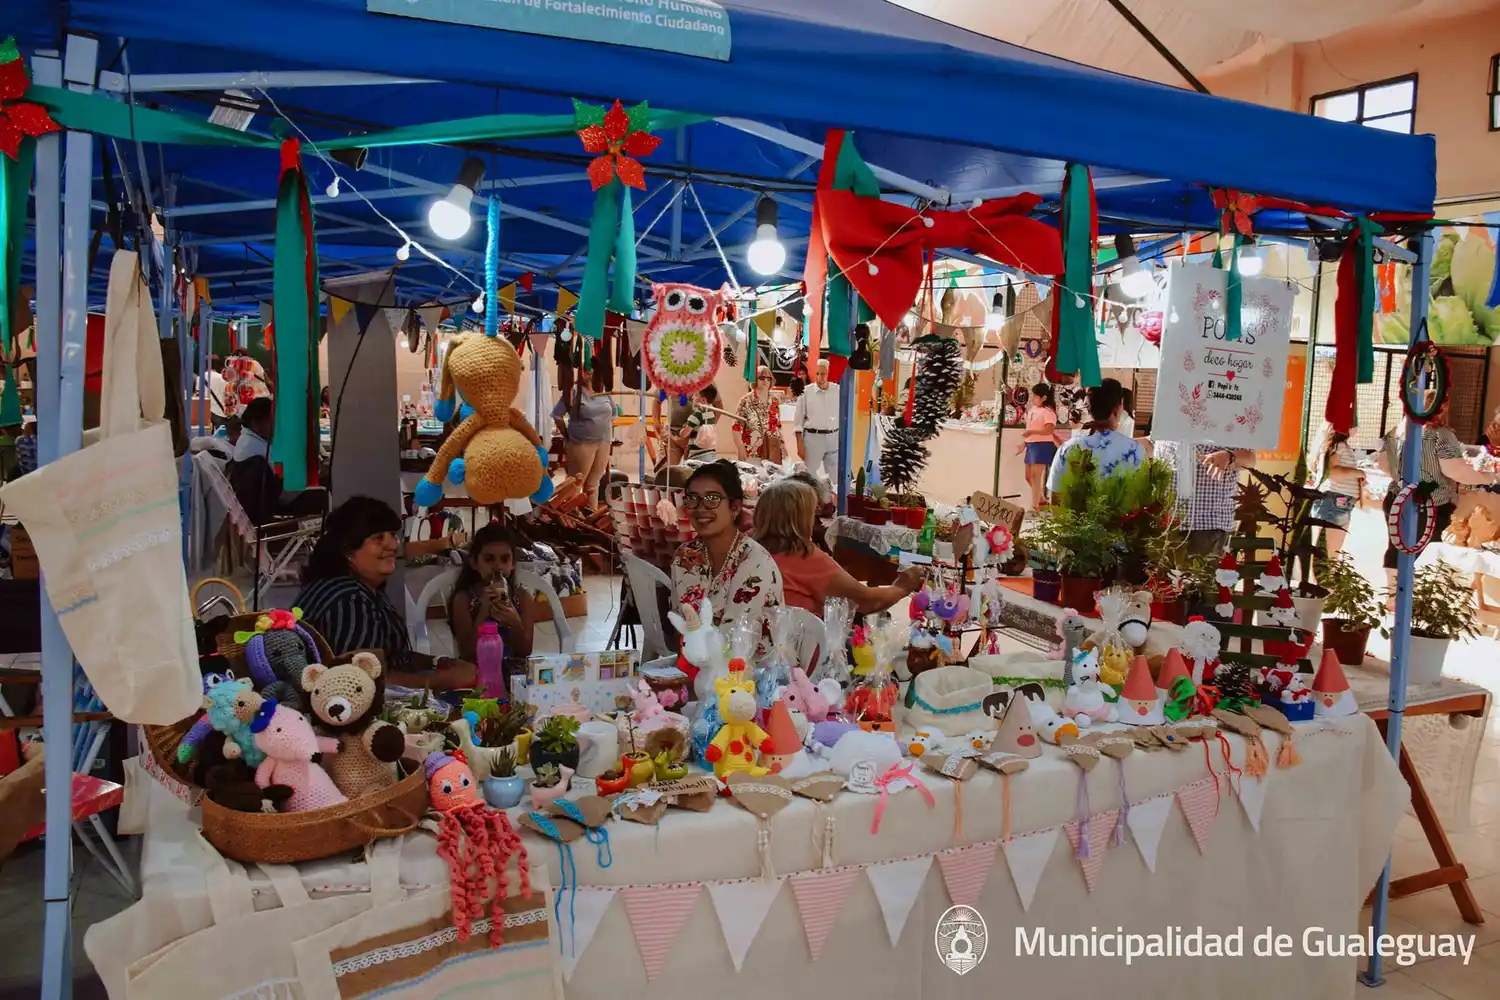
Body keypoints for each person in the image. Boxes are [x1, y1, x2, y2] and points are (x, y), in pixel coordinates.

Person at [295, 496, 475, 691]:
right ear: (348, 551)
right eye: (378, 538)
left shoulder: (364, 589)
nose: (392, 545)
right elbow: (359, 683)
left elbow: (394, 656)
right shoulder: (350, 601)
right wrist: (444, 681)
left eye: (391, 535)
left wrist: (438, 662)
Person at [754, 478, 924, 614]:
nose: (815, 521)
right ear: (800, 520)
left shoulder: (750, 549)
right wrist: (902, 587)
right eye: (812, 514)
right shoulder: (805, 557)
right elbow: (865, 601)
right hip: (796, 649)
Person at [670, 460, 783, 627]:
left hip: (745, 652)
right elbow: (681, 627)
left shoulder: (755, 562)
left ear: (735, 508)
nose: (701, 507)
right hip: (695, 652)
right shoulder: (685, 556)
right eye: (693, 498)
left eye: (712, 498)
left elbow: (738, 639)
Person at [447, 522, 535, 678]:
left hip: (516, 673)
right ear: (475, 562)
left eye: (504, 559)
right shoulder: (464, 599)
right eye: (489, 559)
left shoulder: (522, 598)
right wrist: (483, 612)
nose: (497, 566)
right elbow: (468, 654)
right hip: (477, 671)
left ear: (513, 563)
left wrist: (514, 621)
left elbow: (525, 650)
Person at [226, 397, 327, 525]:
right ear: (256, 423)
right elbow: (282, 484)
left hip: (271, 499)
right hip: (279, 503)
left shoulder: (250, 441)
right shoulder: (256, 449)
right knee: (328, 490)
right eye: (272, 421)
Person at [1152, 439, 1257, 556]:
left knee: (1199, 573)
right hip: (1164, 522)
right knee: (1160, 573)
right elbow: (1153, 443)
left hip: (1207, 523)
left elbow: (1250, 459)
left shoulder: (1230, 422)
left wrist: (1229, 456)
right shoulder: (1166, 421)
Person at [1046, 378, 1145, 495]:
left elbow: (1055, 500)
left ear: (1089, 408)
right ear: (1119, 407)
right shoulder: (1135, 450)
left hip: (1074, 513)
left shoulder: (1068, 449)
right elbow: (1140, 497)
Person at [551, 378, 615, 502]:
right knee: (576, 482)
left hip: (603, 442)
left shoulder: (603, 390)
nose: (590, 372)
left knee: (594, 483)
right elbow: (557, 415)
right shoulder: (573, 392)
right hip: (581, 443)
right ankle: (570, 516)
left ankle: (590, 516)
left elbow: (613, 413)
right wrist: (567, 435)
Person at [1310, 427, 1363, 555]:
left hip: (1340, 503)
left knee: (1331, 553)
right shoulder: (1338, 446)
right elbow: (1332, 472)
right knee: (1328, 554)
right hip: (1334, 503)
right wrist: (1358, 473)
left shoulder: (1340, 446)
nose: (1357, 428)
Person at [795, 359, 841, 484]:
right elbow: (798, 421)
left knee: (835, 477)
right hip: (813, 438)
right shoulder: (806, 392)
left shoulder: (837, 391)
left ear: (828, 374)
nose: (820, 377)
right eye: (818, 374)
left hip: (833, 437)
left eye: (823, 373)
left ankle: (834, 501)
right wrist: (799, 444)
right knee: (809, 476)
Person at [1020, 383, 1058, 508]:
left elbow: (1049, 430)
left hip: (1042, 445)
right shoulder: (1032, 410)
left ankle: (1035, 506)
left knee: (1036, 476)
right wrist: (1024, 443)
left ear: (1044, 398)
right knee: (1028, 476)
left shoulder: (1048, 412)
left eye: (1036, 396)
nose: (1033, 399)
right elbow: (1029, 428)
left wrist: (1032, 432)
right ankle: (1041, 499)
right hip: (1031, 444)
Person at [736, 366, 781, 462]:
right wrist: (740, 449)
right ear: (755, 379)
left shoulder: (775, 401)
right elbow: (736, 427)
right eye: (761, 377)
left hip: (772, 451)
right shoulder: (746, 400)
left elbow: (778, 426)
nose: (765, 380)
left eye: (768, 378)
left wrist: (783, 447)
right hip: (752, 451)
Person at [677, 384, 720, 462]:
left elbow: (684, 434)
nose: (693, 397)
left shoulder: (697, 415)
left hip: (698, 455)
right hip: (710, 452)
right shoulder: (711, 413)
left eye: (696, 395)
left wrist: (682, 431)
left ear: (703, 400)